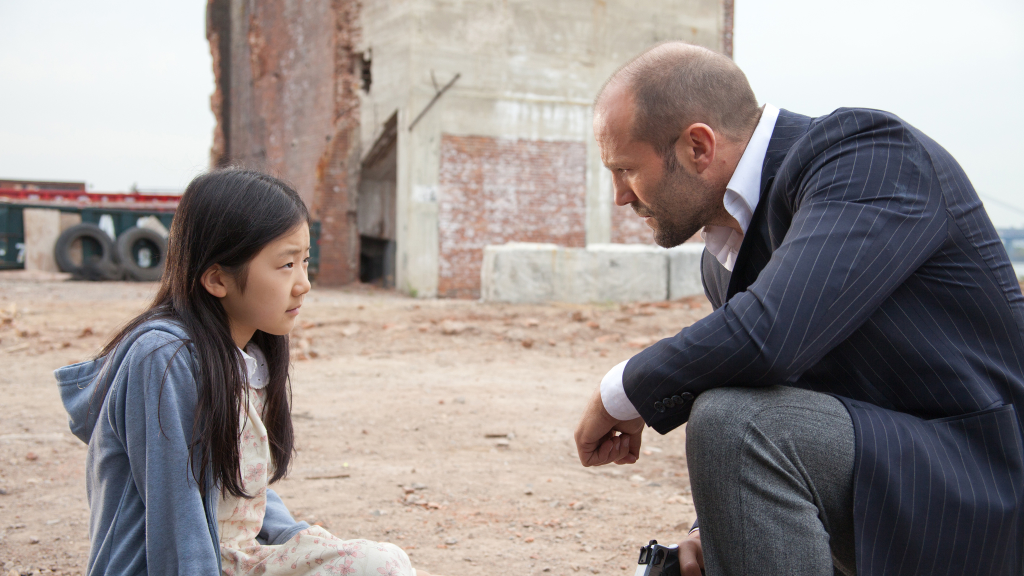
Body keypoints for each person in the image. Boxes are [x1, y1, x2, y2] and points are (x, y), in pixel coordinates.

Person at [574, 42, 1024, 576]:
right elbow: (778, 390)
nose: (620, 197)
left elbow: (772, 336)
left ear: (698, 146)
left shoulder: (870, 158)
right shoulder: (721, 253)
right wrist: (714, 528)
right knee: (734, 416)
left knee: (734, 421)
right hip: (891, 475)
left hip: (984, 488)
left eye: (625, 169)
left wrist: (622, 392)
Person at [56, 169, 442, 576]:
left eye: (305, 261)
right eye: (286, 264)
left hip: (234, 559)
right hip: (178, 566)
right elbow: (176, 517)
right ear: (218, 278)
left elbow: (239, 490)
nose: (303, 284)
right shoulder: (163, 358)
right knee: (380, 566)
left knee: (374, 562)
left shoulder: (245, 355)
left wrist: (299, 539)